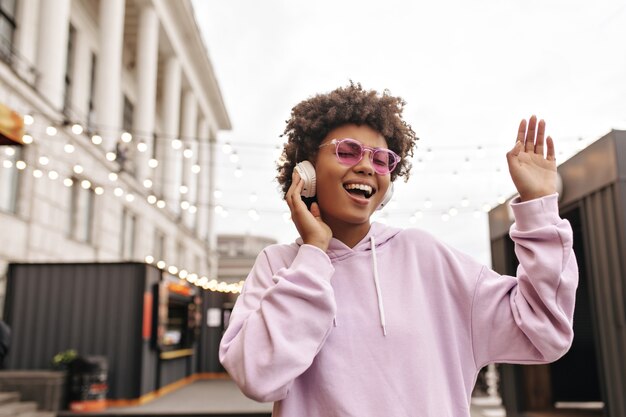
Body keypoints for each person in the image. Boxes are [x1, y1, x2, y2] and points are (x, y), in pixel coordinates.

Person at [219, 82, 578, 416]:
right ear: (307, 170)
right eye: (347, 151)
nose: (365, 166)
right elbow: (258, 376)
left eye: (380, 159)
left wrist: (538, 207)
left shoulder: (426, 257)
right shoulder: (279, 265)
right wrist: (314, 254)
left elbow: (544, 331)